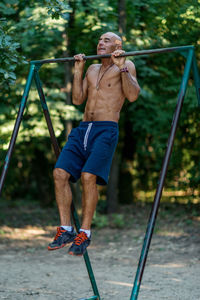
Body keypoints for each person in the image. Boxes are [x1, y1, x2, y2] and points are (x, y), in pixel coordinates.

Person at [48, 32, 140, 256]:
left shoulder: (126, 64)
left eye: (106, 40)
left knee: (89, 177)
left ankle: (85, 232)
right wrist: (78, 71)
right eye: (99, 40)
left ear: (118, 46)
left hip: (106, 129)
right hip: (83, 129)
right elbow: (78, 100)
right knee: (60, 173)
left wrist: (123, 68)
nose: (100, 43)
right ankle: (66, 229)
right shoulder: (91, 69)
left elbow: (133, 95)